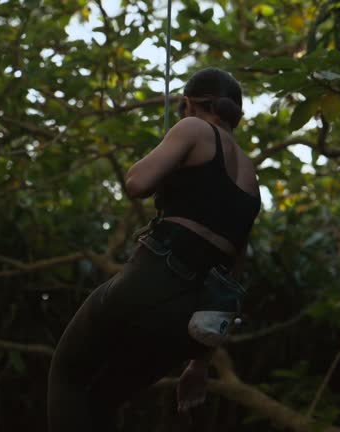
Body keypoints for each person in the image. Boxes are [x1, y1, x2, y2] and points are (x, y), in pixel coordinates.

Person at [47, 67, 261, 432]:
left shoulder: (193, 128)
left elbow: (136, 183)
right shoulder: (252, 179)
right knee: (103, 400)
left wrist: (168, 156)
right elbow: (230, 276)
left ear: (188, 103)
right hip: (188, 321)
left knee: (68, 373)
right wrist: (200, 361)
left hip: (151, 281)